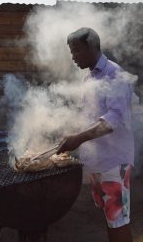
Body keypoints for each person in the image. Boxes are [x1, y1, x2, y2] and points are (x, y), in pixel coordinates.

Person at [57, 27, 135, 242]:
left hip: (113, 162)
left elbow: (114, 119)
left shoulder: (114, 75)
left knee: (118, 220)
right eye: (71, 52)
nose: (73, 57)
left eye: (76, 51)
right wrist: (70, 132)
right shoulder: (89, 79)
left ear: (92, 47)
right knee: (110, 217)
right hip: (97, 160)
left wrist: (78, 138)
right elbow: (90, 117)